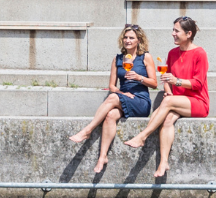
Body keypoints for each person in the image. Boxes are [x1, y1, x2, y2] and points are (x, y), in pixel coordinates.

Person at [123, 16, 208, 177]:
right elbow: (166, 77)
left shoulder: (200, 53)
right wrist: (168, 89)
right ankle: (163, 163)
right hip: (176, 100)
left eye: (177, 31)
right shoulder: (172, 53)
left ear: (188, 34)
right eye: (173, 30)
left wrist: (177, 82)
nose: (173, 33)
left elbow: (197, 84)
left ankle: (142, 136)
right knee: (167, 119)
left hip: (197, 102)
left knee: (166, 103)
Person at [68, 24, 158, 174]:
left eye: (131, 38)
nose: (127, 40)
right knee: (110, 115)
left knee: (112, 98)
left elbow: (154, 84)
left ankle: (88, 130)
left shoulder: (145, 57)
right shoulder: (117, 59)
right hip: (123, 98)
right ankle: (102, 157)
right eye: (125, 37)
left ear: (139, 40)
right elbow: (112, 86)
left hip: (140, 101)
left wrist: (139, 78)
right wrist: (122, 94)